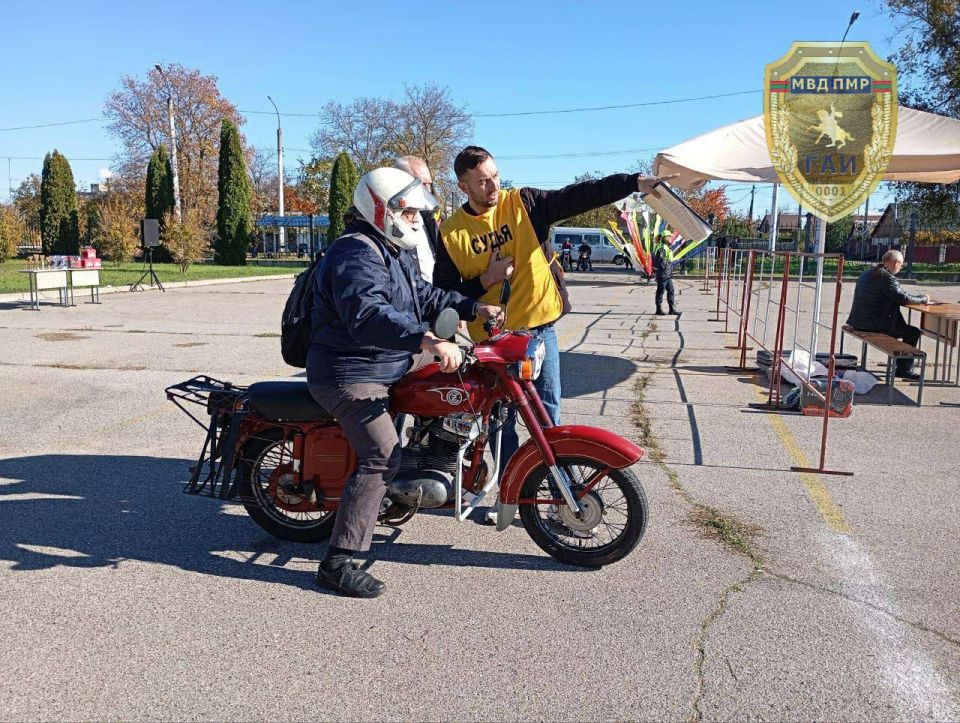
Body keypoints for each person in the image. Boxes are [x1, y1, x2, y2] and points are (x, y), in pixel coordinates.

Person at [434, 145, 669, 520]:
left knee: (548, 417)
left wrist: (633, 182)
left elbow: (581, 194)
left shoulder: (523, 203)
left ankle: (563, 496)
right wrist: (486, 280)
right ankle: (509, 497)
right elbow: (444, 295)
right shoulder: (450, 233)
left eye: (495, 176)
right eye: (482, 181)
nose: (493, 186)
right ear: (463, 186)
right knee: (501, 423)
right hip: (493, 343)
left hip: (538, 332)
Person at [307, 167, 503, 597]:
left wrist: (473, 307)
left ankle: (433, 457)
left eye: (417, 211)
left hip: (388, 358)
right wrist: (427, 340)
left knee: (463, 380)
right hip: (351, 369)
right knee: (381, 454)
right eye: (409, 211)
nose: (416, 219)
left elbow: (423, 296)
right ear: (382, 208)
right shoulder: (354, 253)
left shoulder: (394, 248)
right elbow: (368, 315)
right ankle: (338, 562)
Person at [846, 249, 929, 380]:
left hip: (858, 322)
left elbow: (897, 295)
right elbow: (903, 298)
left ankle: (902, 367)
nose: (900, 268)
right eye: (901, 265)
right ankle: (904, 369)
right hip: (873, 325)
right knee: (913, 332)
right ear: (896, 263)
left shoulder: (867, 273)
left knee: (906, 329)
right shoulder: (886, 277)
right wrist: (923, 298)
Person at [394, 156, 439, 283]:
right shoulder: (388, 225)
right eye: (420, 183)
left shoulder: (429, 220)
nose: (427, 190)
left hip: (433, 293)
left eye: (428, 184)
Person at [653, 232, 681, 316]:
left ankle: (671, 309)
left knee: (671, 290)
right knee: (660, 291)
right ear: (665, 237)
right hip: (663, 273)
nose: (670, 238)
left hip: (667, 273)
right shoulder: (662, 247)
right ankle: (658, 309)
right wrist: (665, 269)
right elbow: (660, 260)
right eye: (669, 236)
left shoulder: (666, 246)